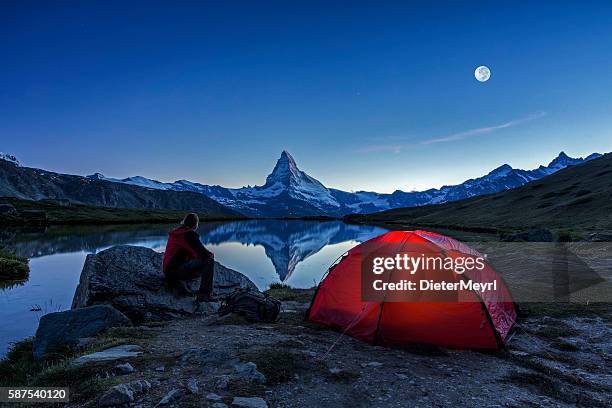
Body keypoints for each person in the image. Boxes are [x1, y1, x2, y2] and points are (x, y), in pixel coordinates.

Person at [163, 213, 215, 302]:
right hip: (175, 272)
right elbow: (205, 254)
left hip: (168, 270)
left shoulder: (179, 232)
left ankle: (183, 283)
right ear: (196, 224)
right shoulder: (188, 235)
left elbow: (192, 252)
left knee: (201, 261)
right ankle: (204, 295)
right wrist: (210, 256)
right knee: (209, 261)